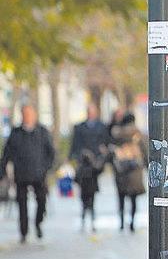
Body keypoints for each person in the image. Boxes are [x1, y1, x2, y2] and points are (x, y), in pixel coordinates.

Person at [0, 105, 56, 243]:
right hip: (21, 174)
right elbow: (6, 154)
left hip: (39, 174)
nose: (28, 117)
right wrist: (2, 172)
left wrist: (46, 168)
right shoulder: (16, 133)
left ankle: (38, 222)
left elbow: (51, 153)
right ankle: (23, 231)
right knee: (22, 204)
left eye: (30, 114)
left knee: (42, 200)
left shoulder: (42, 132)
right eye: (25, 114)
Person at [69, 104, 110, 232]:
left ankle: (91, 216)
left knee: (92, 192)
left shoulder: (101, 127)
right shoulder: (79, 127)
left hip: (94, 167)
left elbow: (105, 144)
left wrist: (101, 157)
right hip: (83, 166)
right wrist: (75, 158)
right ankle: (84, 214)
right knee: (83, 192)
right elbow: (75, 145)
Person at [109, 112, 147, 232]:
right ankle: (132, 222)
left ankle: (121, 222)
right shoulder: (138, 135)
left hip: (121, 170)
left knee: (121, 197)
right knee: (133, 198)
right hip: (135, 170)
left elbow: (111, 152)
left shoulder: (117, 135)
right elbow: (145, 152)